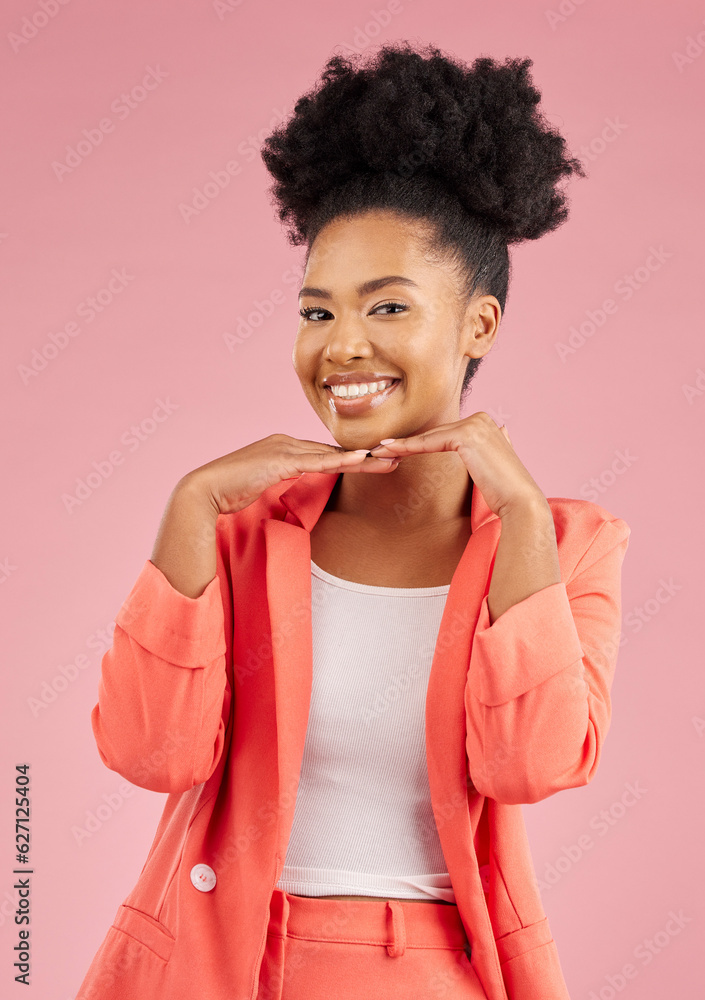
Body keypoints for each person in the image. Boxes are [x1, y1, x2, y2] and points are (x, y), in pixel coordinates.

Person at [76, 41, 630, 1000]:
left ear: (479, 325)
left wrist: (521, 518)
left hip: (429, 970)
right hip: (215, 962)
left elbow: (531, 763)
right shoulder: (242, 530)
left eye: (386, 306)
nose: (343, 347)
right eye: (316, 311)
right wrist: (188, 508)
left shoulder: (565, 546)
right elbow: (148, 752)